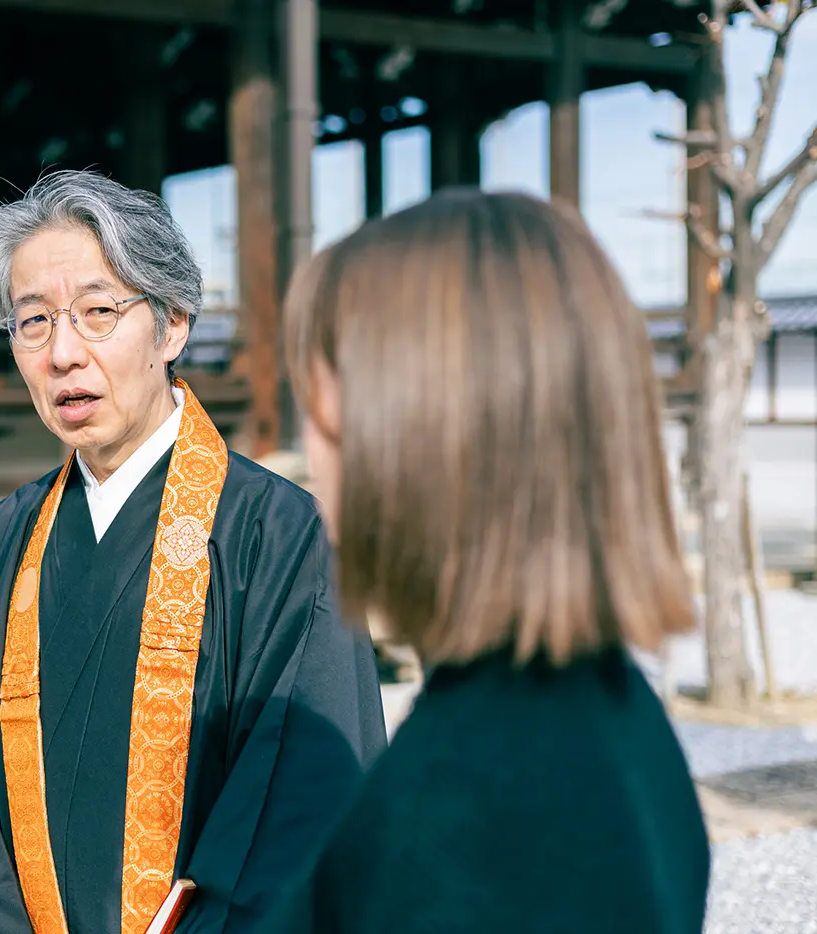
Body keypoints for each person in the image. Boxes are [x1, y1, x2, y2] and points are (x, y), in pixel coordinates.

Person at [0, 170, 387, 934]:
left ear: (173, 324)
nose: (63, 354)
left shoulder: (278, 539)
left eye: (99, 312)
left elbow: (301, 817)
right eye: (33, 322)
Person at [269, 188, 712, 933]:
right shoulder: (601, 708)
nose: (310, 450)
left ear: (415, 435)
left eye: (319, 410)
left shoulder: (472, 810)